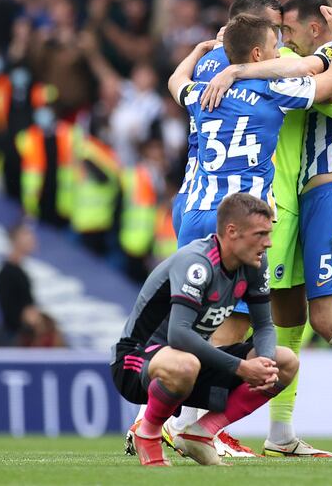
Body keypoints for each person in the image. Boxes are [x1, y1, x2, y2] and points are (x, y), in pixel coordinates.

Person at [198, 0, 332, 457]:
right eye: (276, 31)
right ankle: (190, 423)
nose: (281, 40)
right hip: (275, 207)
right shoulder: (278, 64)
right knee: (240, 317)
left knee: (291, 320)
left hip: (286, 207)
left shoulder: (254, 62)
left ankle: (284, 432)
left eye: (285, 29)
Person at [111, 193, 298, 467]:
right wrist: (242, 368)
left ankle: (201, 433)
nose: (268, 242)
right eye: (260, 234)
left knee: (285, 363)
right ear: (232, 232)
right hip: (135, 360)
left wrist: (264, 363)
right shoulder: (197, 263)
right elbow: (178, 335)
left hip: (190, 362)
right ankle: (147, 432)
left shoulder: (256, 263)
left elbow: (264, 325)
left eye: (268, 234)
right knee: (185, 364)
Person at [0, 222, 37, 338]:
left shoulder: (21, 270)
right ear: (16, 240)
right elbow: (12, 313)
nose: (33, 239)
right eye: (27, 235)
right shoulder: (7, 274)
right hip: (17, 339)